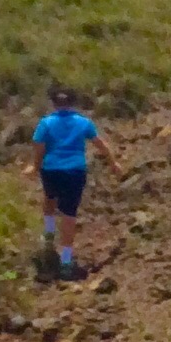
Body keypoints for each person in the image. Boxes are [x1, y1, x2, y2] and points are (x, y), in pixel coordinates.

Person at [26, 88, 119, 280]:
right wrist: (113, 163)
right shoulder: (83, 122)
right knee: (69, 214)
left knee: (49, 198)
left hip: (51, 169)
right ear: (73, 103)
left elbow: (39, 147)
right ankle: (66, 261)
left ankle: (49, 234)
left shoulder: (46, 123)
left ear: (54, 104)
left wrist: (34, 167)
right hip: (75, 171)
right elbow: (100, 144)